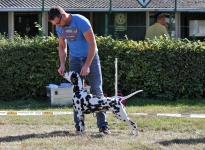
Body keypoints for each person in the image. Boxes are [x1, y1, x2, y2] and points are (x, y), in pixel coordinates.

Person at [48, 6, 110, 134]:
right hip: (74, 59)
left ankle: (103, 126)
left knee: (97, 90)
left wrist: (87, 65)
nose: (58, 26)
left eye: (58, 23)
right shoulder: (59, 26)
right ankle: (79, 126)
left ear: (63, 16)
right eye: (55, 25)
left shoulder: (81, 21)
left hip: (91, 58)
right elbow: (61, 46)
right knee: (76, 92)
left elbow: (93, 43)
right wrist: (62, 64)